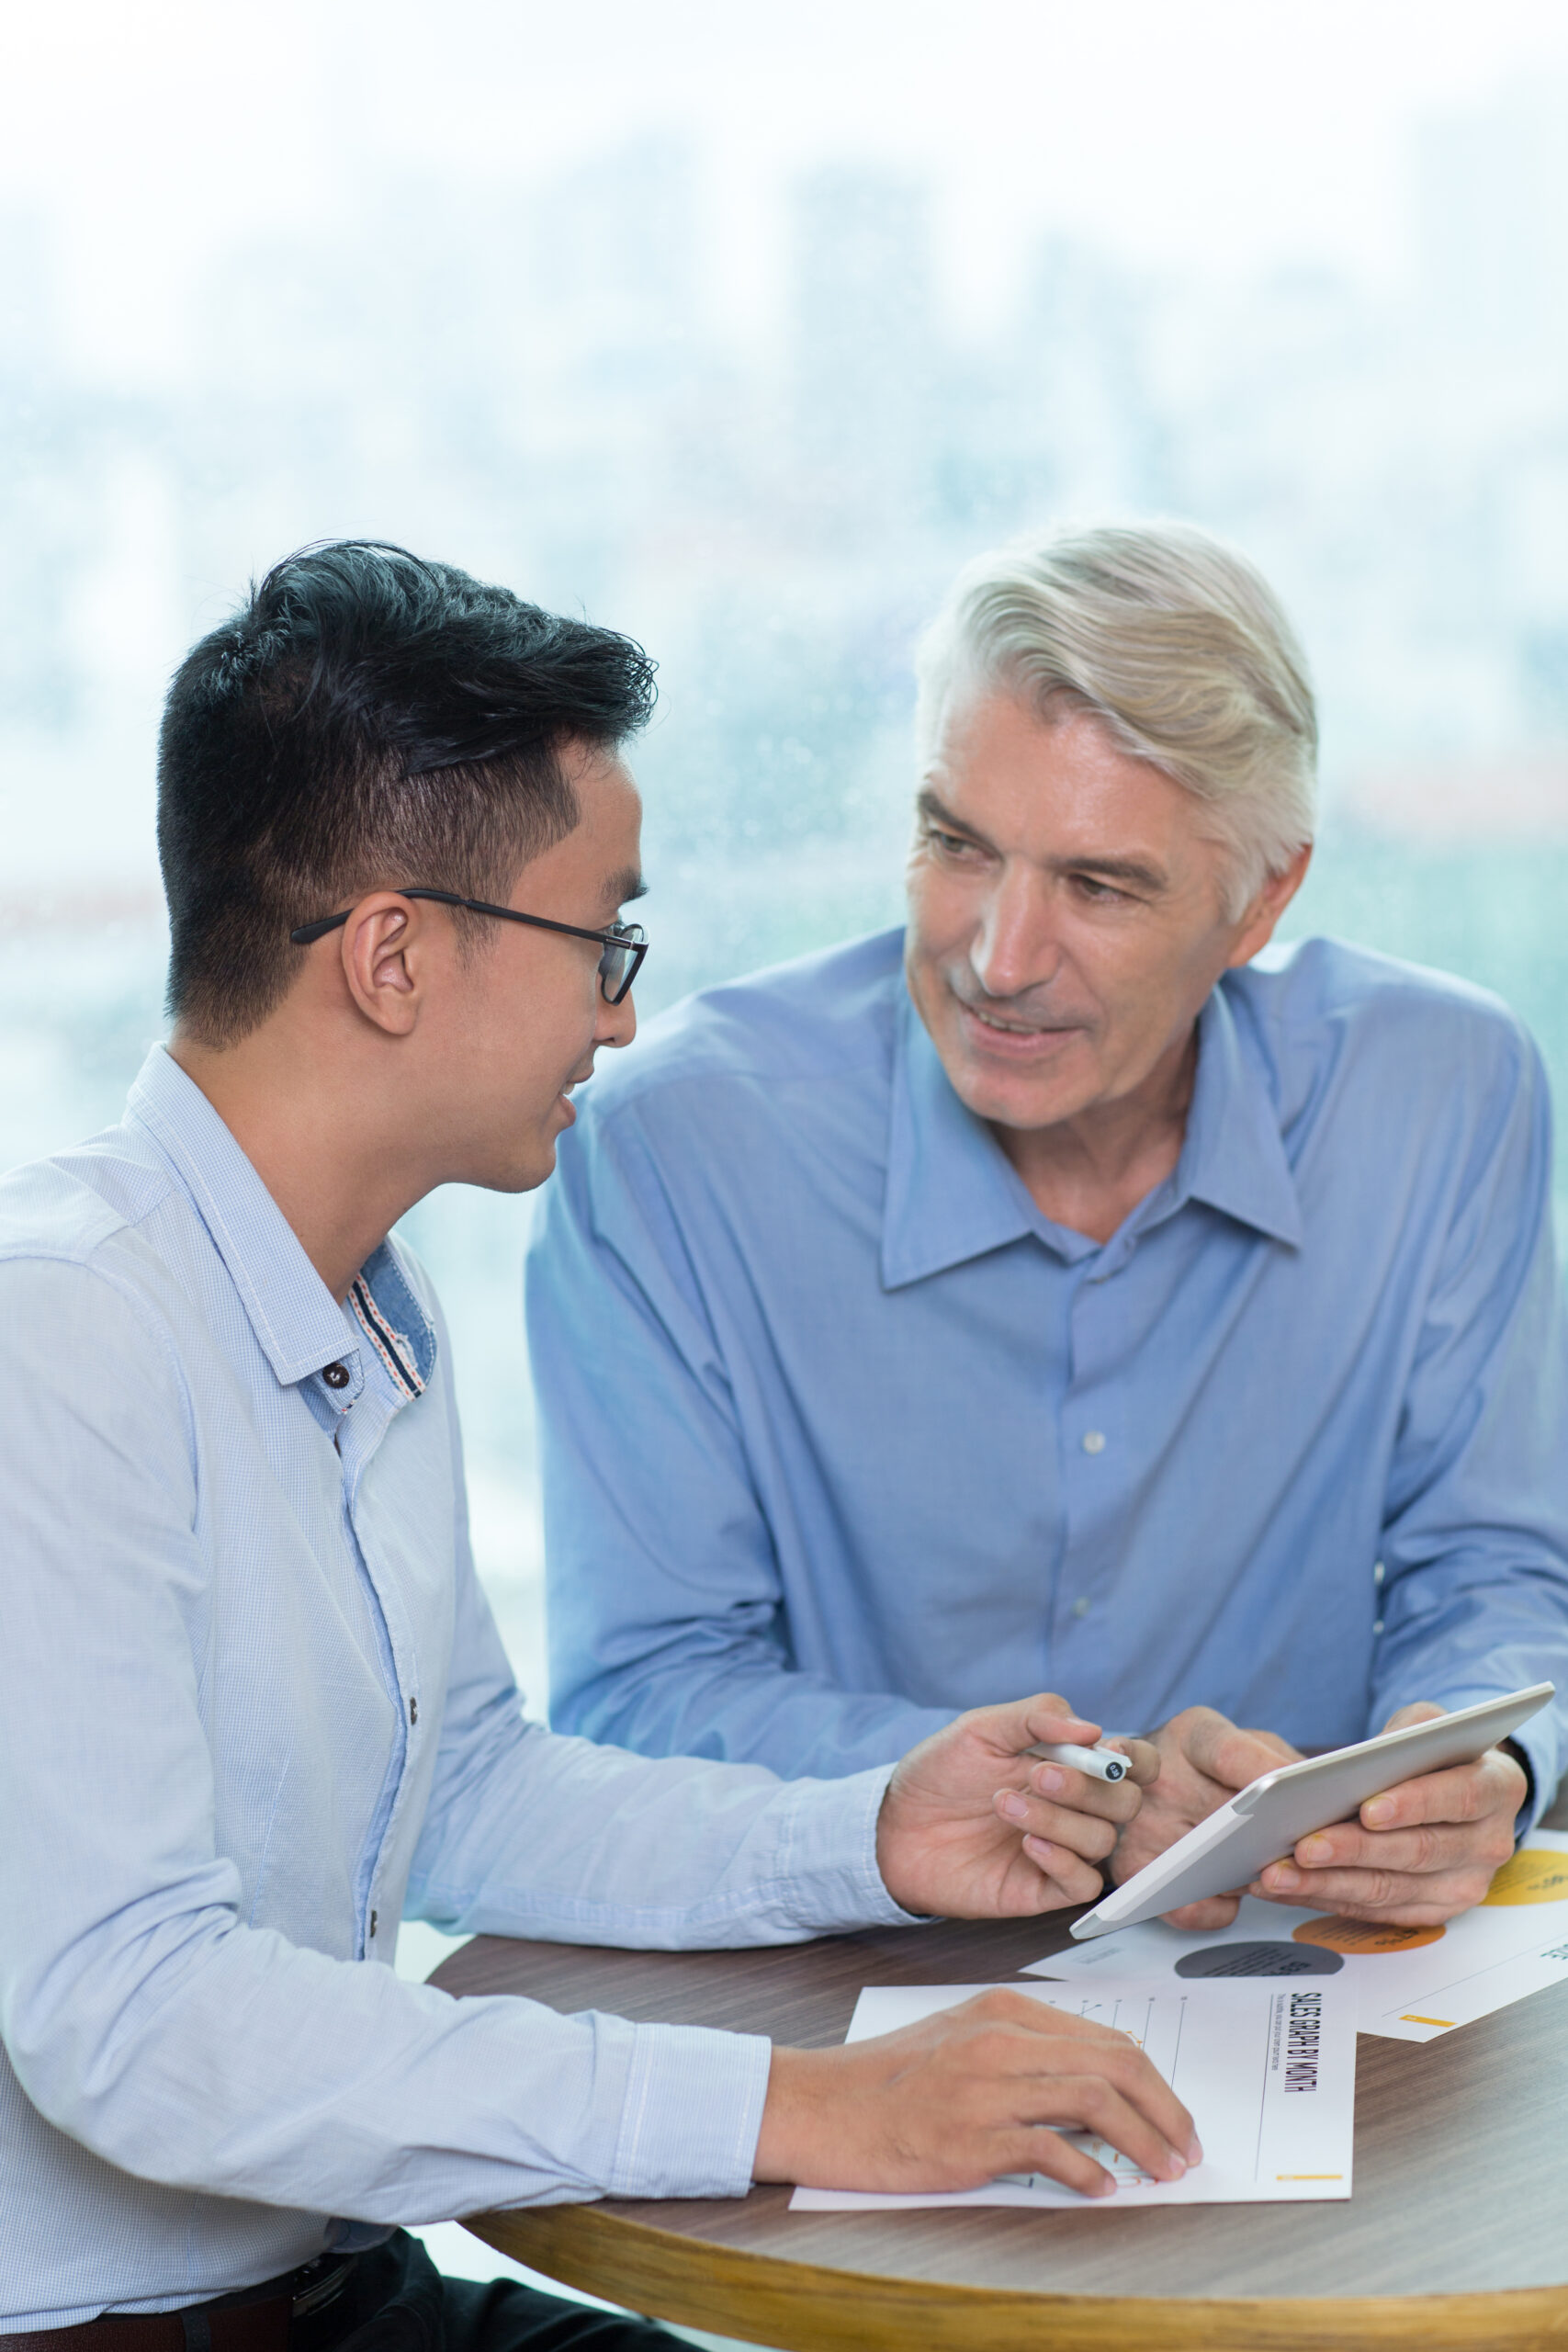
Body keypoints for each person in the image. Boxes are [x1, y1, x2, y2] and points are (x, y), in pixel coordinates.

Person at [0, 544, 1200, 2349]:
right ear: (392, 954)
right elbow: (133, 2008)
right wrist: (804, 2108)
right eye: (598, 936)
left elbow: (466, 1787)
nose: (619, 1012)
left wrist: (866, 1831)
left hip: (319, 2283)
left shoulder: (370, 1307)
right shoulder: (64, 1331)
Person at [530, 519, 1568, 1937]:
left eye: (1097, 886)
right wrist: (1071, 1788)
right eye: (958, 845)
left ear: (1261, 899)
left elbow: (1495, 1570)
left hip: (1300, 1963)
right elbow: (639, 1693)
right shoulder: (672, 1149)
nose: (998, 960)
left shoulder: (1443, 1093)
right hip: (840, 1983)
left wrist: (1476, 1768)